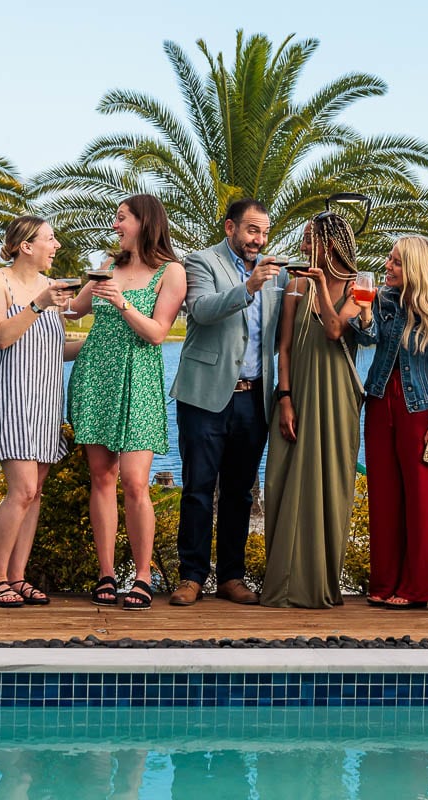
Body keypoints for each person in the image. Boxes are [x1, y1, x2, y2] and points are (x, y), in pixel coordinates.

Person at [66, 194, 187, 610]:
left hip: (138, 381)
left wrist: (120, 303)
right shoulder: (108, 268)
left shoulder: (171, 272)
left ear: (144, 222)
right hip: (96, 377)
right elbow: (73, 309)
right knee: (101, 477)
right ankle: (104, 574)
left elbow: (156, 333)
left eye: (122, 218)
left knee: (135, 482)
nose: (115, 225)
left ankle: (141, 575)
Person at [168, 199, 284, 606]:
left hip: (254, 400)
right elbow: (200, 311)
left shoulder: (275, 275)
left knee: (239, 493)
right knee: (198, 488)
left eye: (265, 232)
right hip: (204, 397)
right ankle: (192, 575)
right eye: (253, 230)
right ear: (230, 227)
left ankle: (232, 577)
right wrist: (248, 287)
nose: (260, 240)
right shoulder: (200, 262)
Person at [261, 211, 364, 608]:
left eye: (309, 239)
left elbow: (335, 329)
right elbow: (284, 346)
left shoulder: (358, 288)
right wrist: (284, 397)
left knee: (331, 484)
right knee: (282, 479)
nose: (303, 247)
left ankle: (320, 583)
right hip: (299, 392)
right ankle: (284, 582)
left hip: (338, 398)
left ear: (330, 244)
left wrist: (322, 284)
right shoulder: (294, 284)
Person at [352, 235, 428, 609]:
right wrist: (364, 310)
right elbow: (364, 337)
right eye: (388, 259)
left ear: (413, 266)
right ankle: (383, 583)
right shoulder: (380, 301)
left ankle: (416, 590)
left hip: (422, 413)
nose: (386, 266)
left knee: (423, 502)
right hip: (380, 405)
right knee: (383, 498)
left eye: (395, 262)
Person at [0, 216, 76, 608]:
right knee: (22, 490)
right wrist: (39, 304)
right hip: (11, 397)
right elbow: (1, 336)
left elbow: (52, 348)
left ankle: (17, 577)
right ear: (26, 245)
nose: (57, 246)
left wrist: (98, 344)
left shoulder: (52, 289)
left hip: (47, 400)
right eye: (50, 239)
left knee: (35, 495)